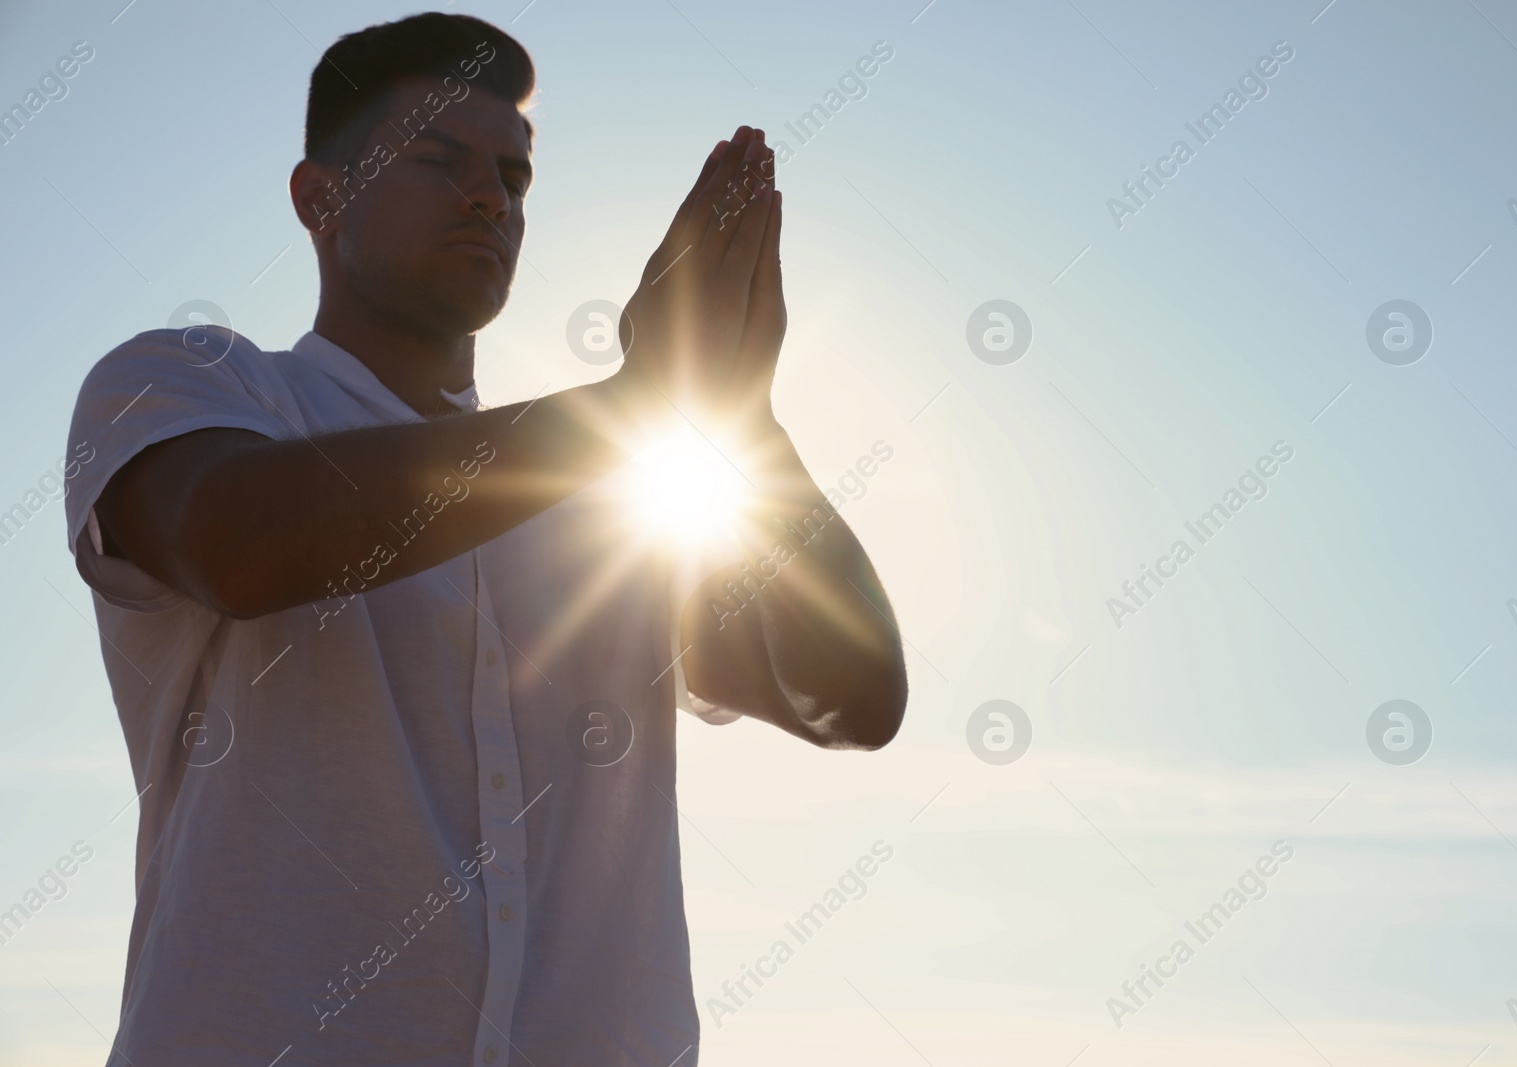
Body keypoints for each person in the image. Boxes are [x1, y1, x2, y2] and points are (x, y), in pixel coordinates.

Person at [61, 12, 905, 1066]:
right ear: (319, 198)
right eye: (437, 160)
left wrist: (743, 417)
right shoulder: (198, 382)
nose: (488, 197)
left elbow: (854, 699)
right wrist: (635, 402)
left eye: (514, 176)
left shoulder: (612, 507)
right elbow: (241, 547)